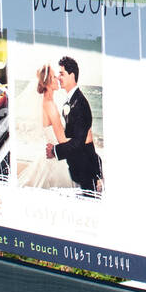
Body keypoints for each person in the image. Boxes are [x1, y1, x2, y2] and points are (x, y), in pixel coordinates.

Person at [45, 56, 103, 195]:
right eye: (58, 74)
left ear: (72, 75)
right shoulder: (71, 100)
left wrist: (55, 151)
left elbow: (78, 142)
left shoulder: (80, 103)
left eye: (62, 73)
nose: (59, 77)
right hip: (79, 166)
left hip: (86, 167)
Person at [20, 64, 81, 189]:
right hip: (57, 160)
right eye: (54, 77)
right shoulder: (50, 106)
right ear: (47, 83)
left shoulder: (48, 102)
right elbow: (62, 140)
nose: (58, 78)